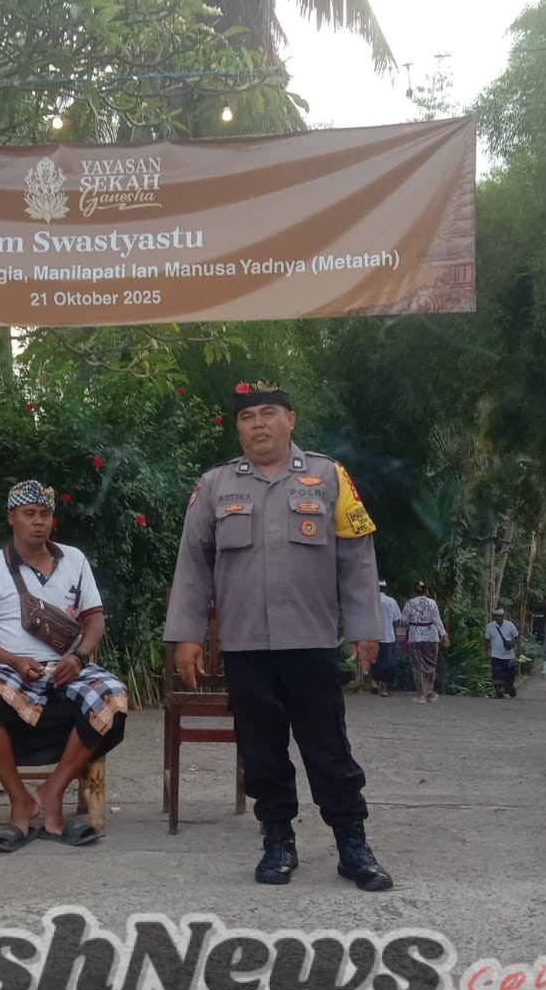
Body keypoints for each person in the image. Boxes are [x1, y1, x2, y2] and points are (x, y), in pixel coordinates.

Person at [165, 380, 393, 891]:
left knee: (327, 746)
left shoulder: (328, 477)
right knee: (261, 749)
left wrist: (363, 628)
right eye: (248, 417)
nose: (258, 424)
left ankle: (352, 844)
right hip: (246, 648)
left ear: (290, 419)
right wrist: (187, 635)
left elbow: (357, 558)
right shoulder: (216, 485)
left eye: (269, 414)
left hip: (310, 643)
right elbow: (192, 565)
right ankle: (277, 841)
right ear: (238, 426)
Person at [0, 480, 128, 852]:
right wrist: (13, 660)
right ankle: (20, 800)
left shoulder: (75, 560)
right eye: (29, 514)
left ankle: (52, 791)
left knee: (113, 699)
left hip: (68, 668)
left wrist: (79, 657)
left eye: (45, 514)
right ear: (11, 517)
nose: (38, 522)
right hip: (9, 670)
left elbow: (95, 621)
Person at [403, 581, 449, 704]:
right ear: (426, 590)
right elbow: (437, 620)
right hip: (431, 636)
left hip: (415, 637)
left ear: (415, 591)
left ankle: (421, 694)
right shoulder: (432, 603)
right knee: (431, 664)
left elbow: (403, 621)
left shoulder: (409, 603)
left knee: (418, 665)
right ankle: (430, 692)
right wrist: (444, 635)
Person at [371, 579, 403, 697]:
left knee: (374, 661)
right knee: (387, 664)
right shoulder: (391, 602)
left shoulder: (371, 601)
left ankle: (374, 683)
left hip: (373, 636)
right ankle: (384, 690)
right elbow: (396, 621)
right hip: (388, 637)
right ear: (385, 589)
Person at [484, 607, 520, 698]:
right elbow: (487, 640)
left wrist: (519, 649)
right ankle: (498, 690)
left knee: (510, 673)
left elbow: (516, 637)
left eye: (500, 616)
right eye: (496, 616)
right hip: (496, 655)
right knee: (497, 673)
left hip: (509, 655)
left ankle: (509, 688)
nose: (498, 618)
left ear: (503, 616)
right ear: (494, 616)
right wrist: (486, 651)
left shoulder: (510, 625)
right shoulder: (490, 626)